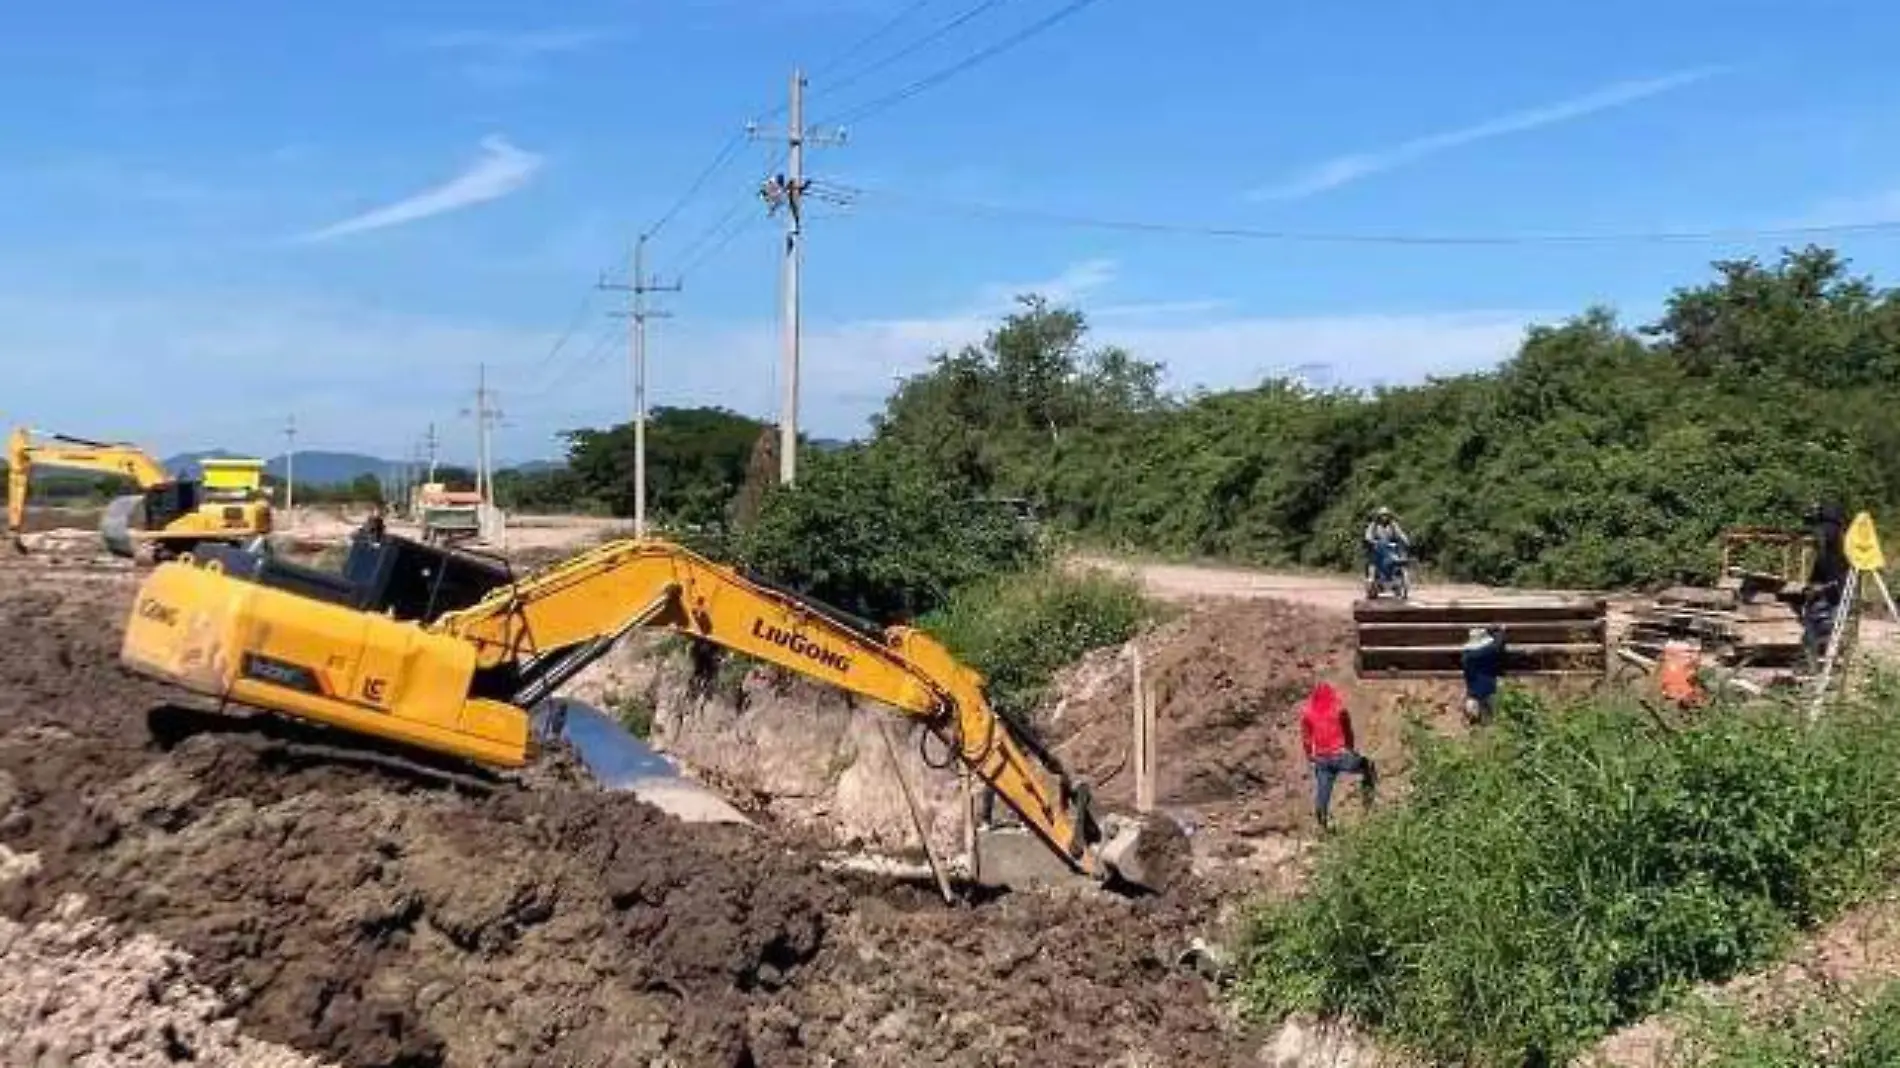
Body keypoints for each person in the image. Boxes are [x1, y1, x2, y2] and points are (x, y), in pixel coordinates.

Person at [1299, 681, 1376, 830]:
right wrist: (1350, 749)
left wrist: (1310, 757)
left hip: (1321, 759)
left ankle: (1322, 827)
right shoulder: (1338, 708)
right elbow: (1348, 731)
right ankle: (1368, 804)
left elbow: (1306, 739)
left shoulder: (1307, 712)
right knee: (1367, 766)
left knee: (1323, 793)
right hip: (1340, 755)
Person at [1802, 500, 1849, 665]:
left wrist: (1816, 584)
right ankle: (1832, 659)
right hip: (1838, 585)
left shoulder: (1828, 531)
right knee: (1833, 623)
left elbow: (1819, 553)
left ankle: (1812, 660)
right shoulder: (1842, 534)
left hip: (1828, 586)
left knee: (1814, 621)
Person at [1460, 625, 1505, 724]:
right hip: (1491, 688)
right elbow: (1500, 642)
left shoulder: (1466, 656)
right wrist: (1500, 631)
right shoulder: (1491, 650)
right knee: (1493, 713)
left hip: (1473, 692)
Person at [1363, 507, 1410, 586]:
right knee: (1372, 561)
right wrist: (1371, 540)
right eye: (1382, 515)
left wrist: (1405, 540)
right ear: (1379, 516)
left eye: (1386, 515)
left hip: (1390, 546)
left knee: (1399, 555)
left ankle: (1397, 574)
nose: (1384, 517)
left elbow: (1400, 533)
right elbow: (1368, 535)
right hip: (1377, 547)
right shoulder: (1374, 525)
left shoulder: (1393, 525)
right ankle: (1371, 578)